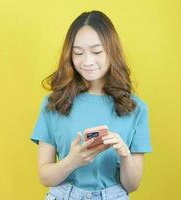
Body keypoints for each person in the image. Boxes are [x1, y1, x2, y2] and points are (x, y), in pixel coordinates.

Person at [30, 10, 152, 200]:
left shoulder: (136, 108)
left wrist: (124, 154)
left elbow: (132, 185)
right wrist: (72, 161)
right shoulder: (54, 103)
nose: (87, 61)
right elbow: (44, 176)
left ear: (112, 52)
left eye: (96, 52)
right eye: (78, 53)